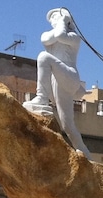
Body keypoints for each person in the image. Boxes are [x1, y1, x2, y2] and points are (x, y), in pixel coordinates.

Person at [25, 8, 92, 157]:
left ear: (66, 20)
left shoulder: (74, 37)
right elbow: (46, 39)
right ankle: (85, 152)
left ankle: (41, 97)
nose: (53, 20)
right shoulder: (48, 35)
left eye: (56, 17)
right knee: (67, 125)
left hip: (69, 76)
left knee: (43, 57)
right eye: (52, 19)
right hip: (56, 81)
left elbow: (61, 35)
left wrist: (63, 20)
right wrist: (60, 22)